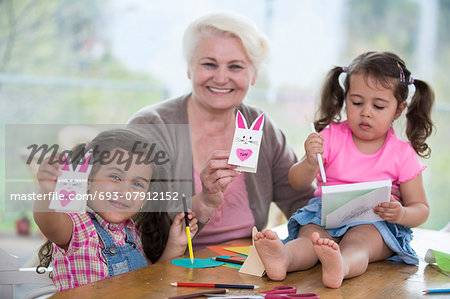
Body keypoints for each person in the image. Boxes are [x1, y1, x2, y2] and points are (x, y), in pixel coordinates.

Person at [128, 11, 315, 250]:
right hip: (167, 270)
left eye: (236, 67)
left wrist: (314, 241)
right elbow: (136, 230)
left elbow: (302, 203)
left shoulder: (260, 125)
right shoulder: (150, 127)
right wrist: (204, 202)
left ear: (254, 75)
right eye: (209, 64)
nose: (221, 77)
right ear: (189, 69)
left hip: (245, 267)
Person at [254, 51, 434, 288]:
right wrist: (309, 161)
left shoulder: (402, 153)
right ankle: (283, 258)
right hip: (326, 215)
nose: (365, 112)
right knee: (310, 238)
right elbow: (296, 182)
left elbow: (420, 208)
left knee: (359, 243)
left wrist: (401, 214)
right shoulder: (331, 137)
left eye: (378, 106)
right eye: (357, 102)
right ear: (345, 98)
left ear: (398, 110)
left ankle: (341, 264)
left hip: (375, 222)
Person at [34, 129, 197, 292]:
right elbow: (48, 222)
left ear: (147, 196)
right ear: (88, 180)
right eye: (115, 177)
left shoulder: (130, 232)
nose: (124, 191)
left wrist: (175, 245)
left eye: (137, 184)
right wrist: (48, 191)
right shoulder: (78, 226)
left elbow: (151, 279)